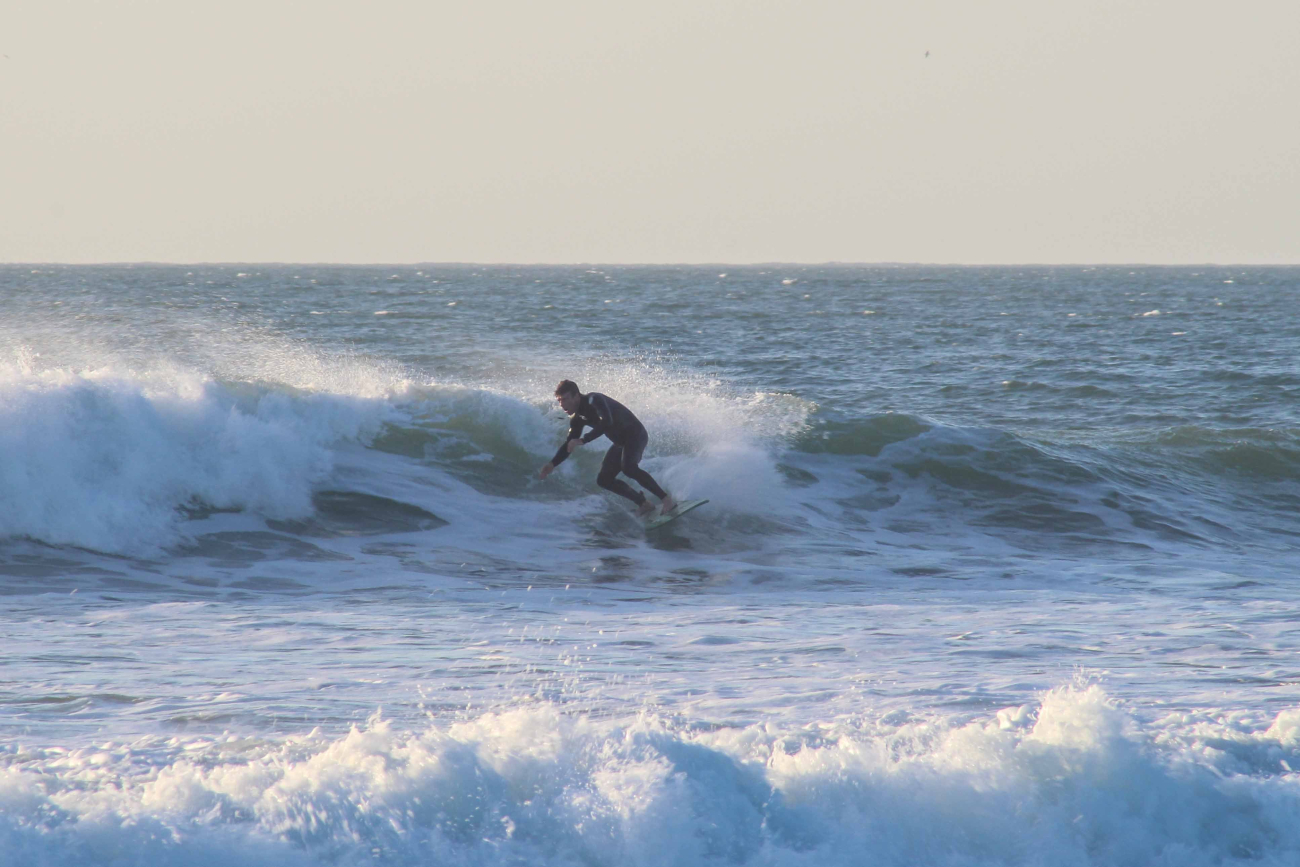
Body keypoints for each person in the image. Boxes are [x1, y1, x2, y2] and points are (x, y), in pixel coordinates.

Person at [538, 380, 676, 518]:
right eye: (559, 400)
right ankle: (644, 504)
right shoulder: (577, 419)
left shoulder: (594, 399)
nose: (562, 404)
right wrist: (552, 464)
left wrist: (584, 439)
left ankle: (666, 499)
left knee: (629, 467)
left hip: (635, 434)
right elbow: (569, 443)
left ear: (576, 396)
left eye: (565, 399)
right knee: (604, 479)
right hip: (621, 443)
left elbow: (607, 421)